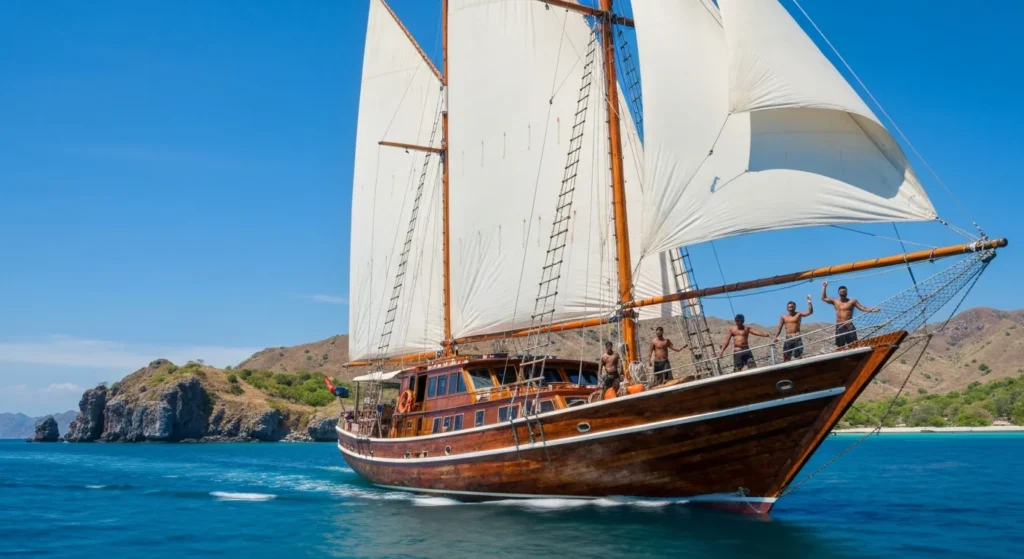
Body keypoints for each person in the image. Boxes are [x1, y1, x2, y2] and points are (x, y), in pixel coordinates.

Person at [821, 281, 879, 347]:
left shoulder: (852, 301)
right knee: (840, 346)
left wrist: (872, 310)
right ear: (838, 293)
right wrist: (824, 287)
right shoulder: (835, 301)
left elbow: (862, 308)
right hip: (839, 326)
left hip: (849, 326)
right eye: (841, 291)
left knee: (854, 344)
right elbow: (823, 298)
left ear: (846, 292)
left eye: (844, 291)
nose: (842, 293)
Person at [774, 296, 813, 361]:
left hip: (797, 337)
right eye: (789, 307)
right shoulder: (784, 317)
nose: (790, 308)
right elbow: (779, 327)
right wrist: (776, 336)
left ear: (795, 307)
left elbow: (810, 312)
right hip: (788, 338)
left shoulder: (799, 314)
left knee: (799, 357)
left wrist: (809, 302)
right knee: (786, 357)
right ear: (787, 308)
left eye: (792, 307)